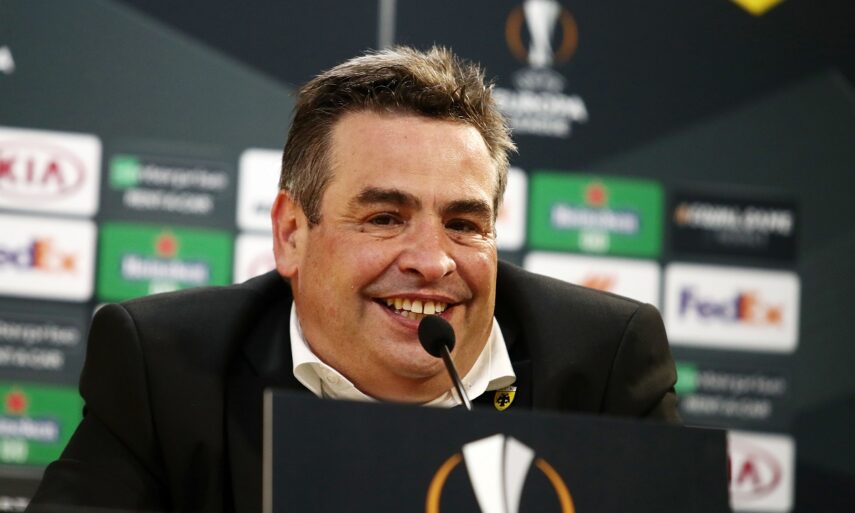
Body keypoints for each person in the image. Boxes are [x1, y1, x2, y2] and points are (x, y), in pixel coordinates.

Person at [28, 46, 678, 512]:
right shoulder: (166, 366)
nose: (432, 260)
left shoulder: (603, 363)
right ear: (291, 234)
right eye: (385, 218)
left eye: (463, 223)